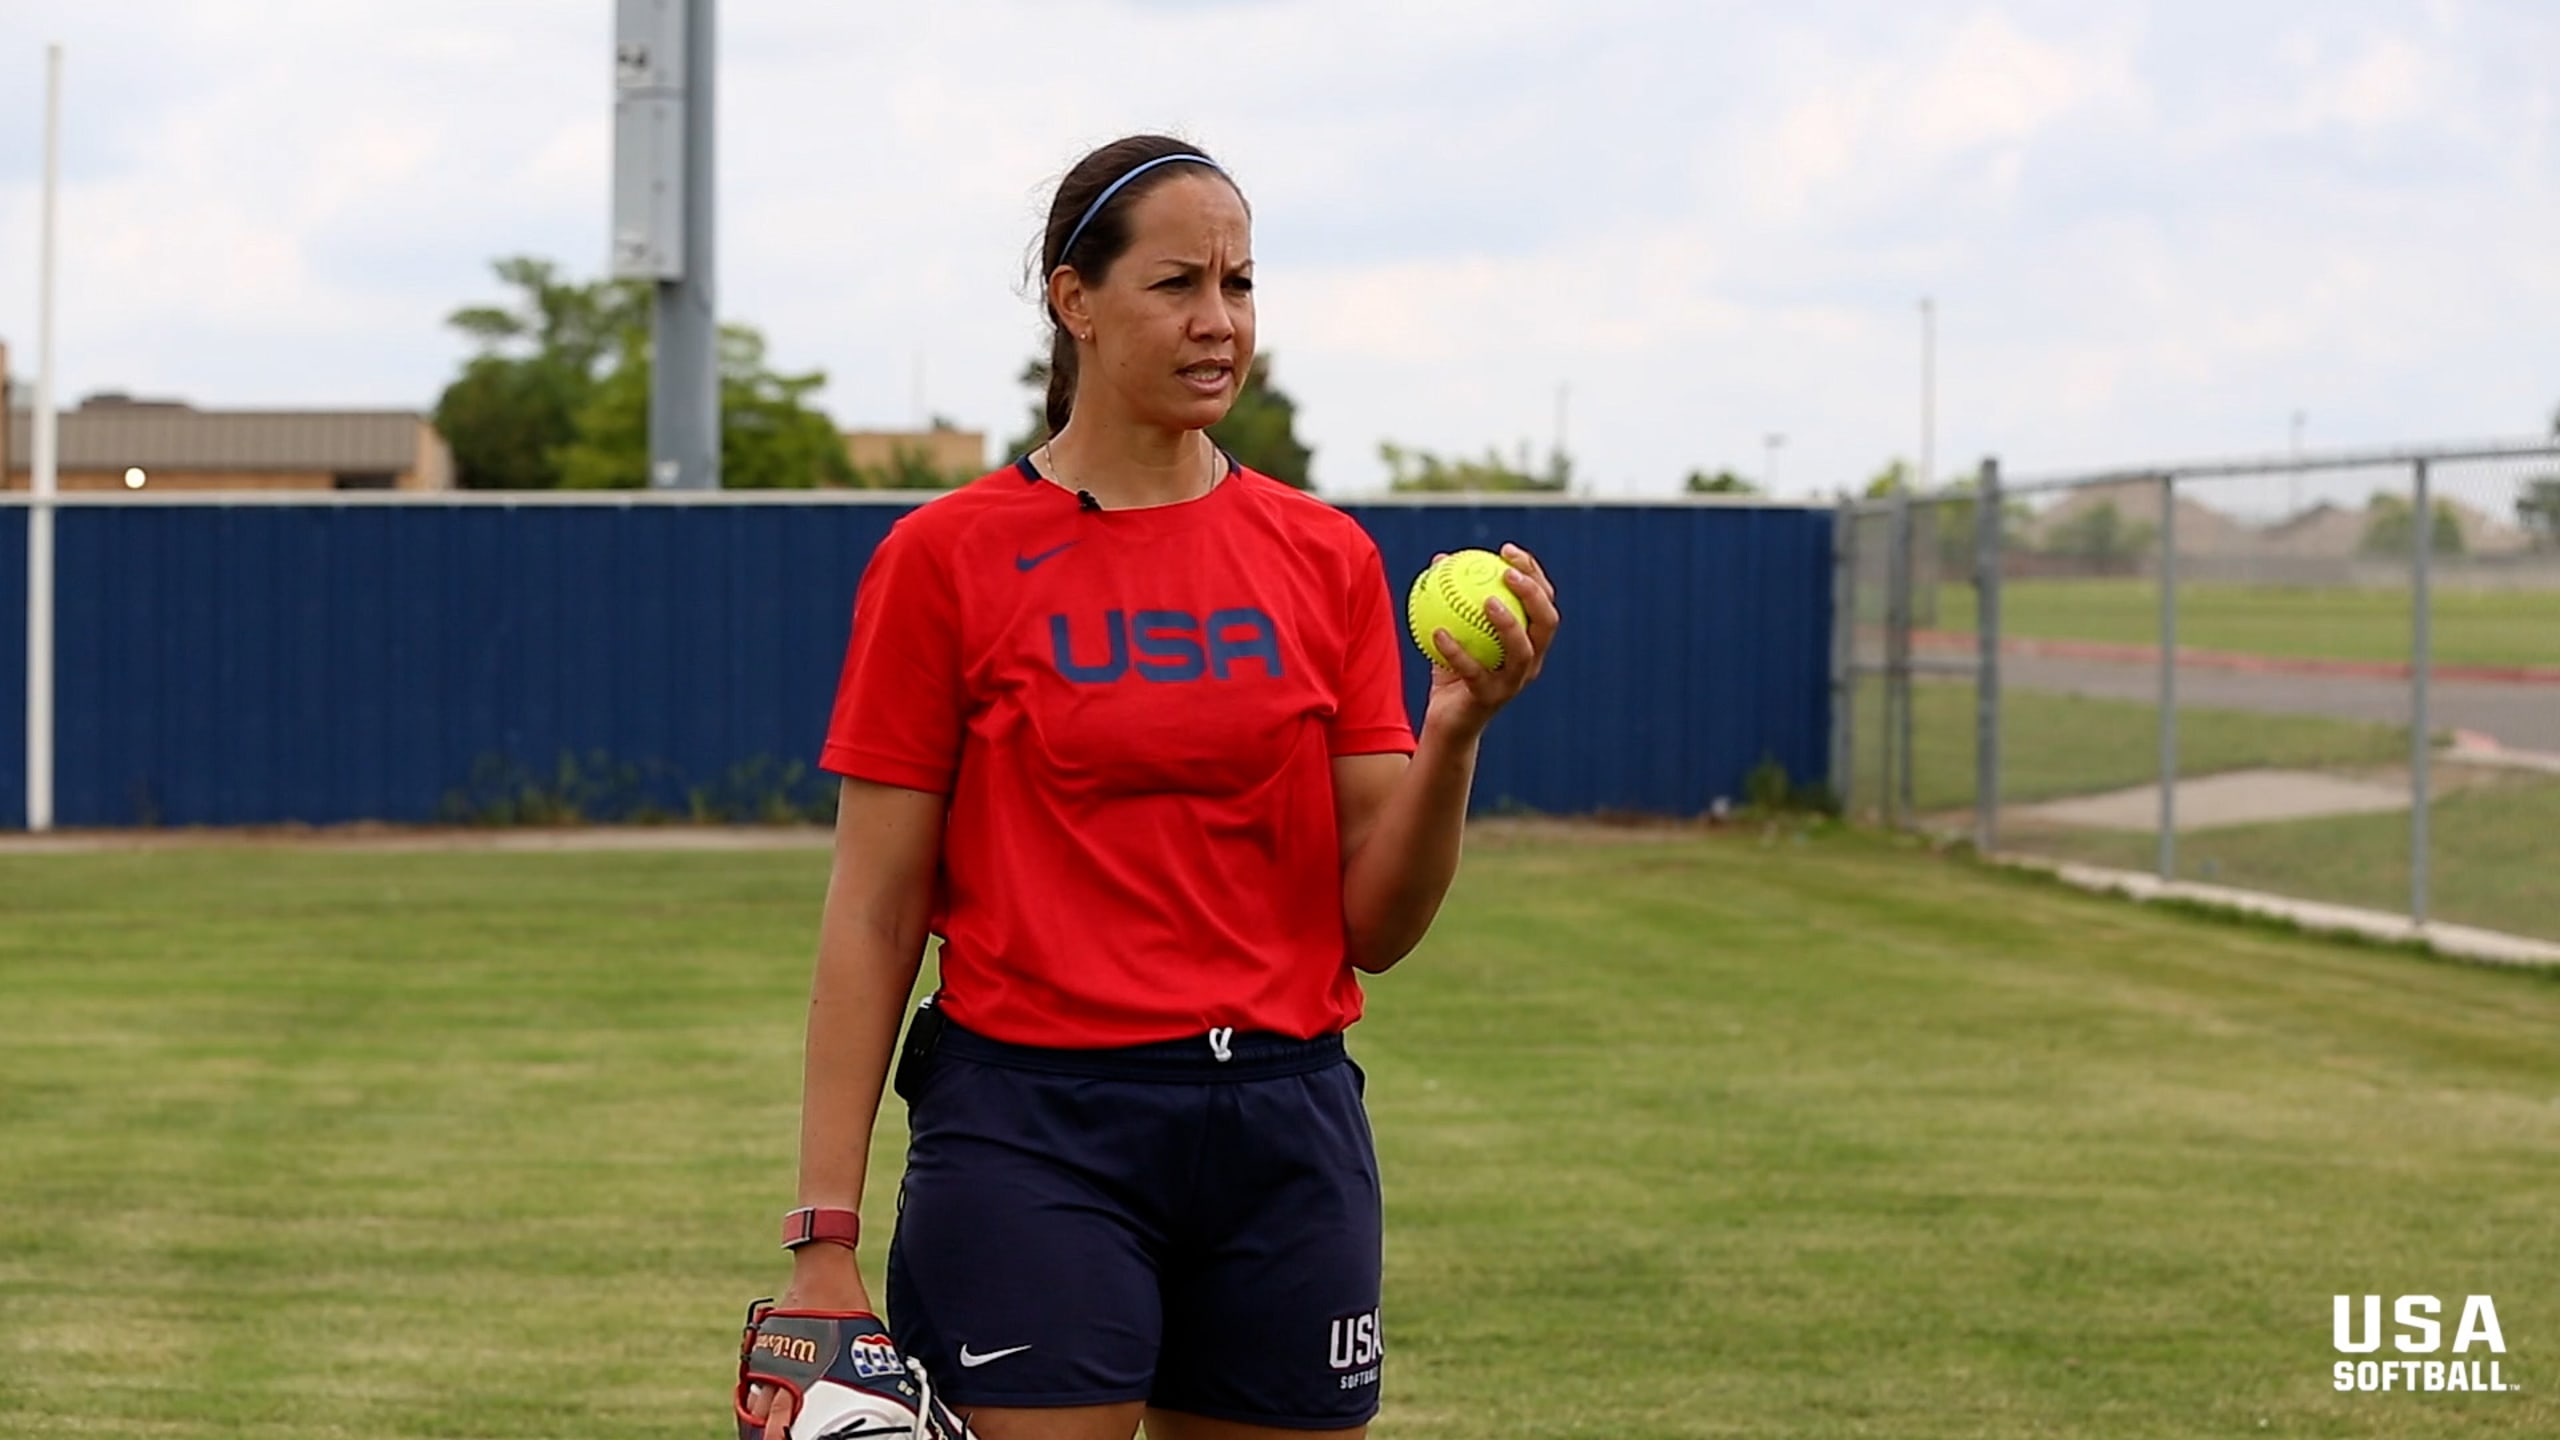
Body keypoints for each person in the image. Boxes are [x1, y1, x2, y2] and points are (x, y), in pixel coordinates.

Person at [747, 133, 1561, 1440]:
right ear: (1074, 301)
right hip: (1033, 1129)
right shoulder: (943, 559)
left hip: (1283, 1129)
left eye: (1240, 285)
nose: (1219, 322)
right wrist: (822, 1235)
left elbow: (1377, 932)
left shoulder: (1325, 557)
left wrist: (1457, 730)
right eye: (1178, 283)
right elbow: (874, 912)